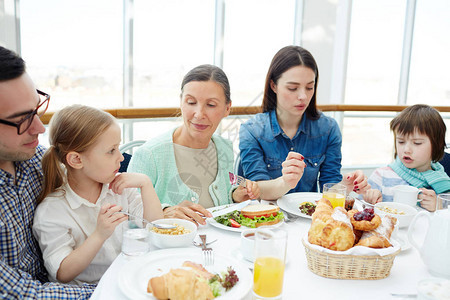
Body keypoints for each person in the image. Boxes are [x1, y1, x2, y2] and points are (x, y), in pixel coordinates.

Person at [0, 46, 94, 298]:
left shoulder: (36, 161)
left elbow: (94, 185)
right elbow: (18, 293)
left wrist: (162, 212)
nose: (40, 128)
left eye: (36, 108)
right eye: (22, 119)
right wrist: (109, 290)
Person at [32, 105, 164, 285]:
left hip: (126, 281)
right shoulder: (52, 210)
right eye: (111, 151)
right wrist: (99, 234)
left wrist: (146, 184)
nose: (122, 157)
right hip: (87, 292)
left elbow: (156, 227)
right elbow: (63, 273)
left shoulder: (120, 186)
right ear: (76, 160)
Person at [128, 64, 260, 225]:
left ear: (227, 109)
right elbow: (128, 216)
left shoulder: (224, 147)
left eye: (211, 105)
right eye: (191, 102)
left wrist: (235, 196)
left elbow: (221, 199)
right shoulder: (149, 154)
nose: (199, 114)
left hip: (216, 246)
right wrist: (162, 212)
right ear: (181, 102)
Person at [239, 45, 369, 200]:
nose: (303, 96)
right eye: (293, 88)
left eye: (309, 87)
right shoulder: (252, 130)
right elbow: (256, 189)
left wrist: (346, 186)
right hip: (269, 219)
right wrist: (286, 182)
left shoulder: (328, 129)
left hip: (308, 218)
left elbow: (329, 188)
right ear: (274, 86)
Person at [363, 104, 450, 211]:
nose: (406, 149)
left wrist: (439, 207)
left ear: (437, 145)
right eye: (401, 141)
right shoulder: (381, 176)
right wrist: (369, 200)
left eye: (417, 143)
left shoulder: (443, 182)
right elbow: (360, 212)